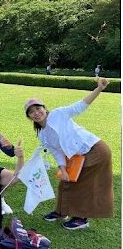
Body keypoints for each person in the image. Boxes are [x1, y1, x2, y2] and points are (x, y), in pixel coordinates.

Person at [24, 77, 113, 230]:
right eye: (31, 112)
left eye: (38, 108)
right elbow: (56, 151)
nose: (36, 113)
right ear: (29, 117)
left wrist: (99, 89)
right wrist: (63, 169)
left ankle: (81, 219)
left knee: (80, 184)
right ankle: (61, 211)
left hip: (95, 150)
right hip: (78, 156)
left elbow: (80, 106)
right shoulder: (42, 134)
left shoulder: (58, 114)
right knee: (65, 181)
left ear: (44, 108)